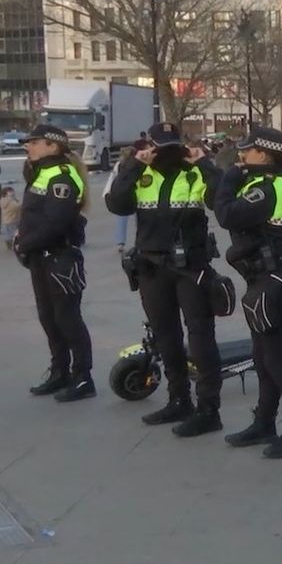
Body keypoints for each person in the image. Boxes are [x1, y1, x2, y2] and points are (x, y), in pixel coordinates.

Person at [106, 122, 226, 436]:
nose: (167, 153)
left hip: (191, 266)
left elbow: (220, 199)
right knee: (165, 336)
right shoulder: (141, 172)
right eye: (161, 147)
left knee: (200, 337)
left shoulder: (194, 172)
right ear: (150, 145)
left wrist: (203, 163)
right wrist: (134, 164)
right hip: (151, 267)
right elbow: (116, 203)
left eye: (172, 146)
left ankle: (208, 409)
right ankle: (178, 400)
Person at [213, 126, 282, 459]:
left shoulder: (266, 189)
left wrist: (228, 179)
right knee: (262, 356)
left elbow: (226, 214)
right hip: (266, 278)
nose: (241, 156)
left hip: (278, 281)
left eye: (248, 151)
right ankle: (264, 422)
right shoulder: (263, 183)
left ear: (264, 155)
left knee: (279, 360)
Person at [13, 125, 95, 402]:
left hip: (60, 258)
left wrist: (24, 243)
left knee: (68, 319)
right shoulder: (41, 171)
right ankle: (60, 370)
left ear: (53, 145)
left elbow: (55, 223)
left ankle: (83, 376)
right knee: (48, 317)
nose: (28, 146)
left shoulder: (62, 176)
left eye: (34, 142)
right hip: (41, 257)